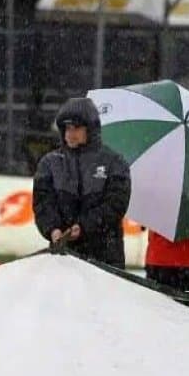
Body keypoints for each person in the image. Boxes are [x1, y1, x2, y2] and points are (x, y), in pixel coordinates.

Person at [33, 97, 131, 268]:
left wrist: (84, 226)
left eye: (76, 128)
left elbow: (116, 205)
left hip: (105, 259)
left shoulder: (114, 162)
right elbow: (42, 203)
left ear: (90, 129)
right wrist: (52, 229)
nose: (70, 134)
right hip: (63, 260)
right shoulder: (49, 163)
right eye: (66, 128)